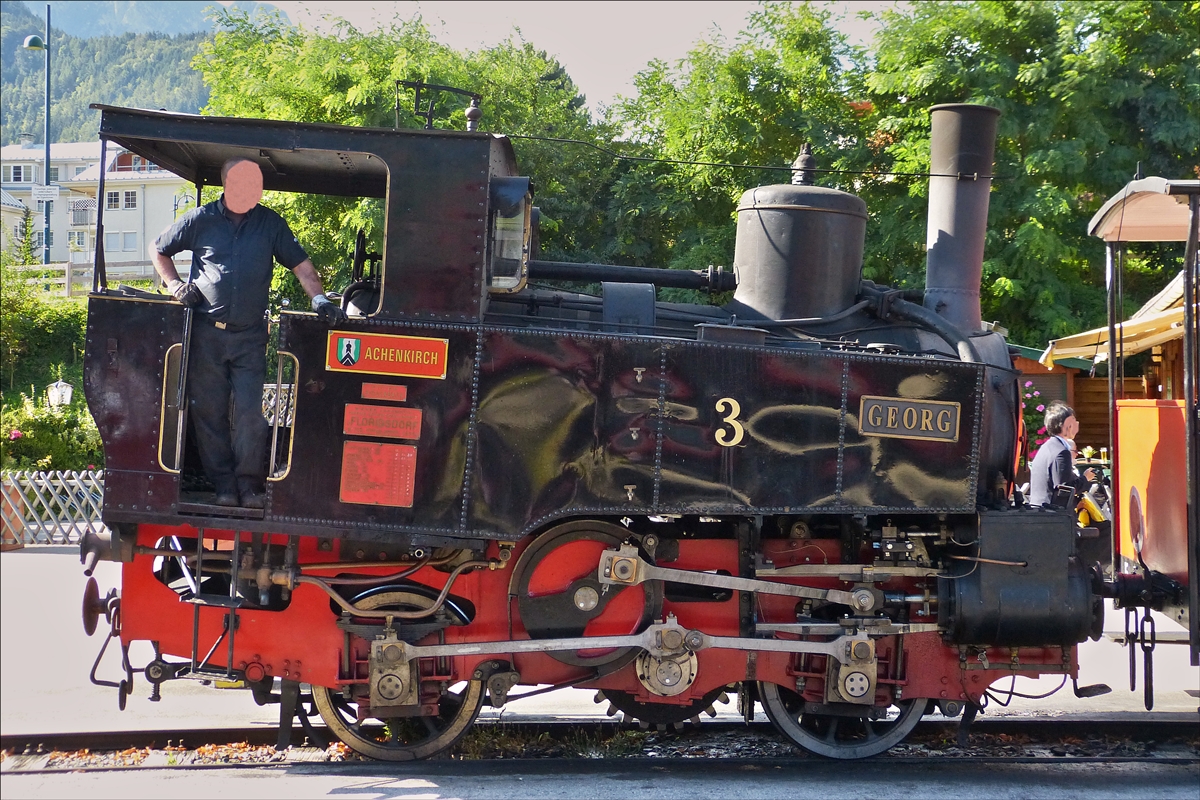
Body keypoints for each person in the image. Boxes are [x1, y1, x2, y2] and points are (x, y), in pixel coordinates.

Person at [150, 157, 347, 508]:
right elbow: (159, 248)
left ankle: (250, 486)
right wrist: (176, 285)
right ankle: (224, 486)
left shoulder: (270, 224)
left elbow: (301, 266)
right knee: (208, 412)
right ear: (226, 186)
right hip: (206, 332)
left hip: (250, 336)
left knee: (249, 414)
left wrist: (320, 300)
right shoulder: (201, 219)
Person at [1028, 401, 1097, 508]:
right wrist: (1085, 478)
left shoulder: (1047, 446)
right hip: (1054, 515)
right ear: (1067, 426)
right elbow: (1065, 488)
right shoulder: (1061, 452)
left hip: (1040, 510)